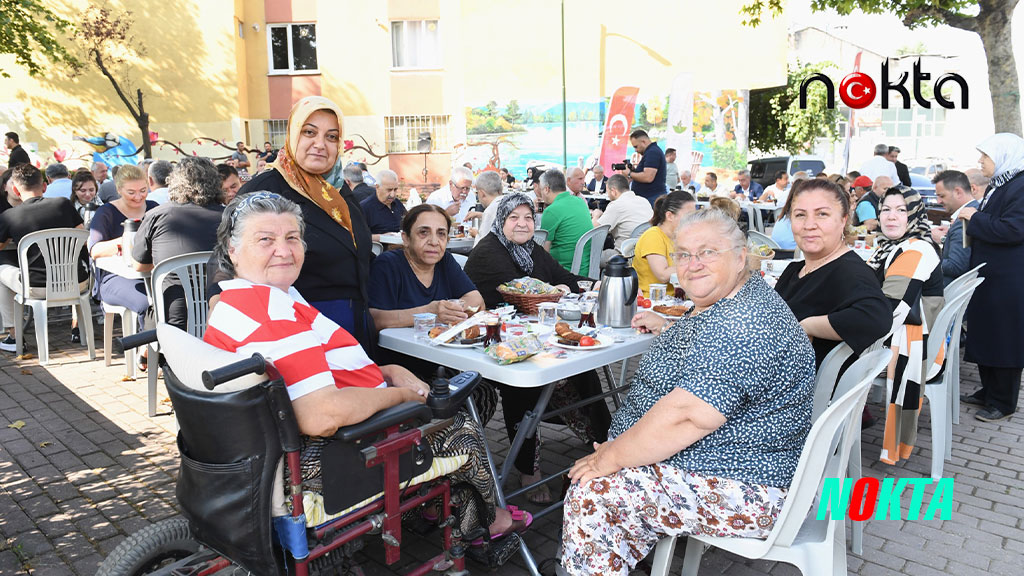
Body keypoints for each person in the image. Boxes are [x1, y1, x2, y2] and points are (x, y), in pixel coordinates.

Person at [204, 192, 530, 557]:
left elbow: (314, 373)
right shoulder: (272, 312)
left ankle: (441, 507)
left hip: (275, 445)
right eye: (265, 239)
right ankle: (485, 522)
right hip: (323, 459)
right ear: (232, 251)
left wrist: (384, 371)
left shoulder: (247, 299)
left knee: (441, 402)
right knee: (457, 421)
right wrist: (400, 396)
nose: (284, 250)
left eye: (292, 237)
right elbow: (323, 415)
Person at [561, 209, 816, 576]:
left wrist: (612, 457)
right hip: (736, 460)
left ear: (741, 256)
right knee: (608, 469)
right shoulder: (738, 298)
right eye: (682, 254)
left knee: (595, 494)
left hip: (754, 487)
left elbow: (687, 416)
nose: (693, 264)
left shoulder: (742, 324)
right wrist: (626, 445)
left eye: (708, 251)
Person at [464, 193, 608, 502]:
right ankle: (529, 470)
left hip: (537, 337)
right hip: (494, 347)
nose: (522, 223)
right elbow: (523, 290)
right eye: (514, 217)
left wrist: (595, 285)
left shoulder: (532, 252)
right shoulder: (489, 252)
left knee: (584, 371)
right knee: (524, 389)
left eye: (528, 217)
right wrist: (558, 290)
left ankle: (605, 443)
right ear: (501, 222)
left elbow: (563, 279)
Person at [211, 97, 376, 353]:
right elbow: (224, 254)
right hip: (297, 331)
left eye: (331, 137)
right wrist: (217, 302)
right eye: (309, 132)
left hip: (354, 326)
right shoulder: (265, 188)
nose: (320, 144)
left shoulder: (339, 193)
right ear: (292, 134)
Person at [774, 178, 891, 368]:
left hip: (803, 391)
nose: (809, 224)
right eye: (800, 215)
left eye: (822, 214)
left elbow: (877, 318)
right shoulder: (794, 270)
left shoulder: (849, 272)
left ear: (843, 220)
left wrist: (808, 325)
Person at [868, 185, 943, 463]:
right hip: (908, 334)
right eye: (886, 209)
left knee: (823, 347)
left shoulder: (916, 250)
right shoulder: (894, 247)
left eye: (902, 210)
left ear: (915, 215)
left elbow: (892, 310)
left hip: (912, 342)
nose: (891, 217)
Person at [958, 133, 1024, 422]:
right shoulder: (1003, 184)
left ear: (1004, 154)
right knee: (987, 333)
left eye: (985, 156)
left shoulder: (1021, 186)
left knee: (1005, 338)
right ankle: (988, 391)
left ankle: (1004, 401)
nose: (980, 161)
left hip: (1009, 279)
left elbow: (1013, 229)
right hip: (991, 274)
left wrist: (975, 218)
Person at [0, 164, 88, 350]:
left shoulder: (9, 215)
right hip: (76, 282)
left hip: (36, 287)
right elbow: (84, 238)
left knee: (1, 273)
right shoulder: (64, 204)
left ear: (15, 189)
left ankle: (15, 336)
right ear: (44, 186)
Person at [131, 157, 224, 332]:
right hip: (223, 318)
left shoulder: (156, 215)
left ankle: (147, 356)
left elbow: (139, 265)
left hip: (173, 318)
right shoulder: (230, 217)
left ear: (174, 182)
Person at [634, 191, 695, 298]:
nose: (693, 221)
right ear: (670, 216)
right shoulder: (653, 236)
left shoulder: (680, 238)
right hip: (653, 301)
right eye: (688, 216)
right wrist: (693, 263)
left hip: (677, 299)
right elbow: (662, 275)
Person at [930, 170, 978, 286]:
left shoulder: (963, 221)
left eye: (942, 196)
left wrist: (924, 261)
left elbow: (956, 266)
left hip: (950, 289)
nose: (938, 201)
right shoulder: (974, 210)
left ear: (958, 192)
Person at [538, 169, 593, 271]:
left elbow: (543, 253)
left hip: (564, 272)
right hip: (586, 269)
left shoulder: (551, 211)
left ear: (546, 189)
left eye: (540, 190)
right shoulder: (580, 202)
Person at [592, 174, 653, 257]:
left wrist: (596, 215)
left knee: (591, 258)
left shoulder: (616, 205)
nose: (607, 194)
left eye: (607, 191)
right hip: (646, 253)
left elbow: (594, 229)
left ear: (613, 191)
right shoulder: (644, 201)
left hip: (623, 256)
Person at [360, 169, 406, 241]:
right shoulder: (365, 208)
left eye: (395, 189)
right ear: (377, 187)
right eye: (389, 190)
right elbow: (359, 237)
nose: (392, 194)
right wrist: (383, 238)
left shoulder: (397, 203)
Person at [626, 130, 667, 205]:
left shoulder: (652, 152)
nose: (636, 150)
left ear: (643, 142)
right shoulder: (651, 151)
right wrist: (634, 171)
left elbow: (648, 177)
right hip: (649, 198)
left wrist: (629, 174)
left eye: (636, 146)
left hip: (651, 198)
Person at [471, 171, 503, 246]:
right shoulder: (509, 203)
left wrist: (476, 234)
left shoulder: (490, 211)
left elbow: (481, 245)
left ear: (482, 193)